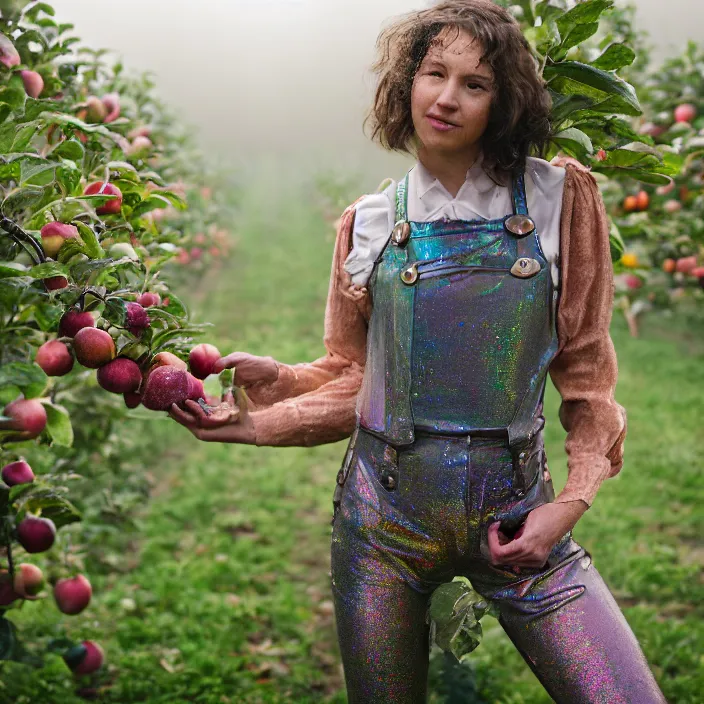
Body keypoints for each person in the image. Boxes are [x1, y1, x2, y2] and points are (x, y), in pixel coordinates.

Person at [169, 2, 668, 702]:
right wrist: (269, 397)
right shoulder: (371, 223)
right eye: (434, 73)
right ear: (406, 84)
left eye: (475, 83)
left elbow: (588, 376)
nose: (447, 97)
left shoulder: (559, 198)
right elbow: (358, 375)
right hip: (384, 521)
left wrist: (572, 503)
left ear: (504, 102)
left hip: (521, 513)